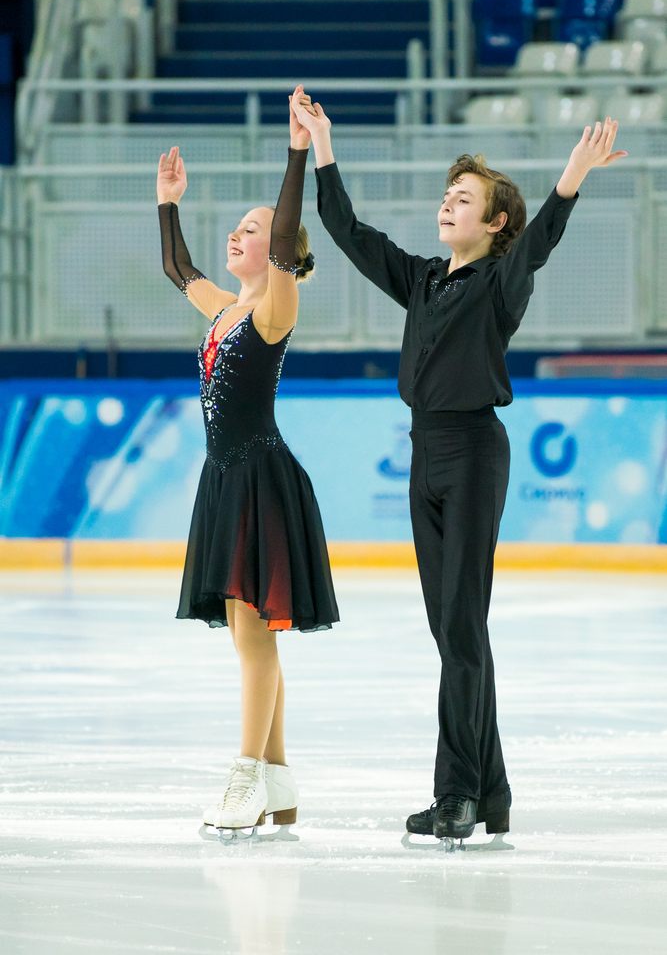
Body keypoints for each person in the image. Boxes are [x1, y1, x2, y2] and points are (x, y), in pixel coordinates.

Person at [292, 93, 626, 843]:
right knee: (454, 634)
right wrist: (323, 145)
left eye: (465, 198)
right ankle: (492, 793)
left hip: (474, 453)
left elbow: (539, 243)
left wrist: (571, 177)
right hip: (424, 454)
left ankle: (456, 795)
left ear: (495, 222)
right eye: (448, 194)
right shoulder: (420, 279)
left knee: (462, 628)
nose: (448, 203)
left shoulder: (500, 282)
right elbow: (346, 230)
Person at [156, 85, 339, 834]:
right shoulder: (223, 309)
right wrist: (167, 204)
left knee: (254, 637)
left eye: (253, 229)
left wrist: (296, 155)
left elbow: (288, 230)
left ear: (281, 251)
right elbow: (177, 268)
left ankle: (245, 778)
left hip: (261, 477)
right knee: (247, 635)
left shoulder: (273, 308)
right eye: (235, 227)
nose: (238, 235)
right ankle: (279, 782)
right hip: (225, 478)